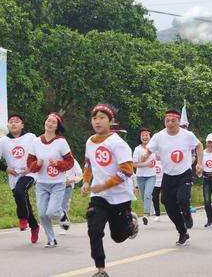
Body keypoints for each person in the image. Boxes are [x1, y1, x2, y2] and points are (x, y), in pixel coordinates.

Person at [81, 103, 138, 277]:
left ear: (111, 121)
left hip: (120, 197)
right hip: (99, 196)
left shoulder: (117, 143)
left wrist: (105, 184)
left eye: (102, 118)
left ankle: (130, 224)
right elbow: (89, 163)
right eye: (94, 118)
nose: (97, 122)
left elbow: (127, 171)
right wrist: (85, 182)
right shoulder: (90, 141)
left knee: (118, 237)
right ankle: (101, 270)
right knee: (94, 230)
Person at [145, 108, 203, 247]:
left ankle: (187, 214)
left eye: (173, 121)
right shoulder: (159, 136)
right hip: (168, 176)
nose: (170, 123)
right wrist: (145, 155)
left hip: (184, 174)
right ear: (164, 121)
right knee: (168, 204)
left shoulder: (187, 135)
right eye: (167, 120)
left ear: (179, 122)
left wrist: (199, 163)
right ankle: (183, 232)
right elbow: (149, 148)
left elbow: (199, 146)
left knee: (182, 199)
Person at [0, 114, 39, 242]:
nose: (13, 124)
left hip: (29, 173)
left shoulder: (31, 137)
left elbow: (40, 153)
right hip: (14, 176)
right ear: (7, 126)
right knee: (23, 200)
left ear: (22, 125)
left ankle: (22, 218)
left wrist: (31, 167)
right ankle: (34, 227)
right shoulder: (3, 141)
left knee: (19, 192)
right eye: (11, 122)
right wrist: (5, 168)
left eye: (16, 121)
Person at [27, 112, 74, 247]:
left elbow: (69, 162)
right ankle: (51, 239)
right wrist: (37, 165)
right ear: (45, 122)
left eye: (53, 122)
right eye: (48, 121)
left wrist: (58, 164)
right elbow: (29, 162)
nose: (50, 123)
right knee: (42, 214)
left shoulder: (61, 142)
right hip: (42, 184)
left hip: (57, 184)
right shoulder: (36, 141)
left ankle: (62, 215)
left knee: (52, 212)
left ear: (57, 126)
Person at [133, 129, 157, 226]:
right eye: (143, 136)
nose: (145, 137)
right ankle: (149, 207)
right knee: (143, 197)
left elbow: (160, 157)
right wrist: (146, 164)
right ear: (140, 138)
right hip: (140, 176)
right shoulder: (137, 149)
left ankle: (145, 215)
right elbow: (134, 164)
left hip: (151, 175)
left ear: (150, 137)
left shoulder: (154, 148)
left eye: (147, 135)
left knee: (147, 194)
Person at [59, 156, 83, 233]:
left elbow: (80, 175)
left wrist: (72, 180)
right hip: (55, 186)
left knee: (63, 205)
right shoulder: (54, 160)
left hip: (67, 186)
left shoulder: (73, 161)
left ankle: (64, 225)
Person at [152, 156, 163, 222]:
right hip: (155, 182)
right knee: (154, 197)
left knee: (165, 199)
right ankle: (157, 214)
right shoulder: (153, 161)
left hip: (164, 182)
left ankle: (174, 212)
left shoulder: (164, 161)